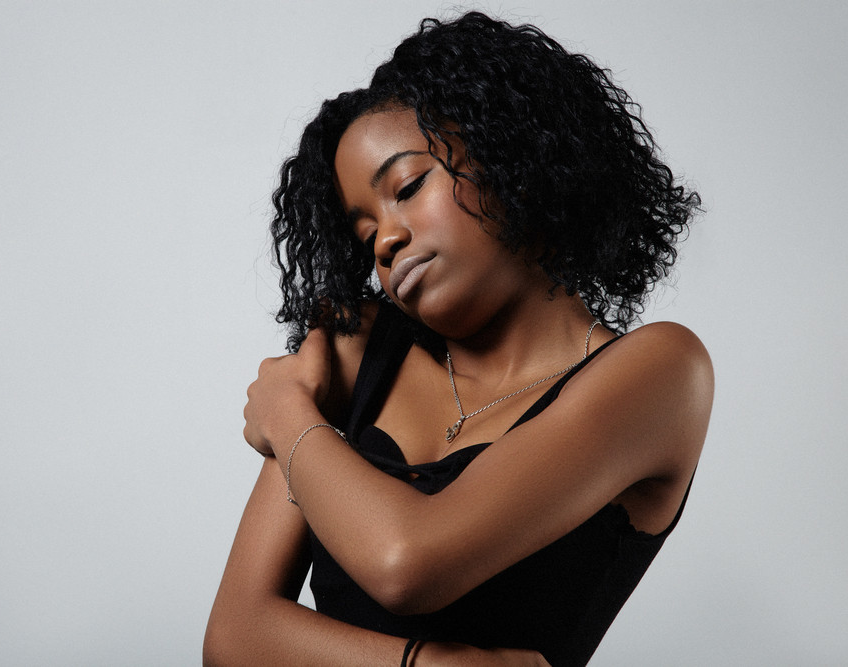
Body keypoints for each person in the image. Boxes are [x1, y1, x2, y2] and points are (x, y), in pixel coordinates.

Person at [204, 12, 712, 667]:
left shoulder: (661, 374)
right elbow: (233, 636)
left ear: (512, 157)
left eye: (408, 187)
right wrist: (430, 664)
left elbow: (407, 561)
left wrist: (288, 415)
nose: (386, 240)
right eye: (365, 233)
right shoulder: (354, 349)